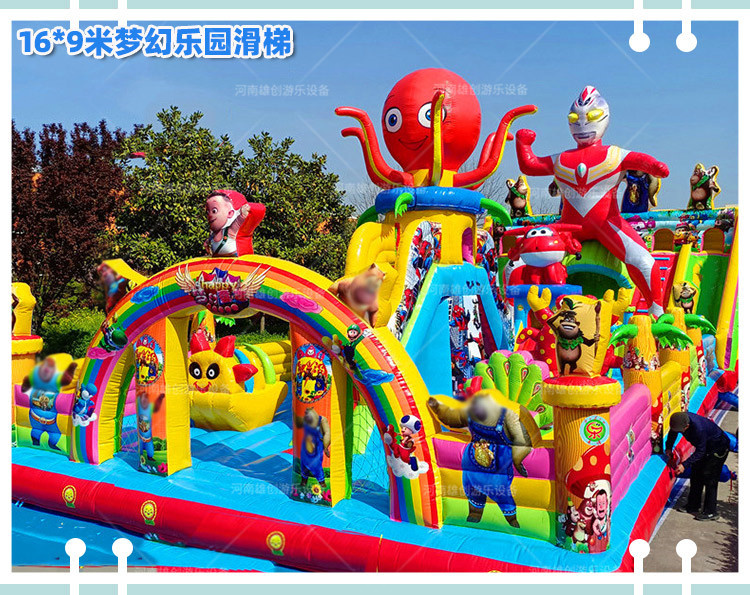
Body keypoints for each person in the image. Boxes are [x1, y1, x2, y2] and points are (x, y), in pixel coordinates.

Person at [665, 411, 731, 521]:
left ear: (687, 426)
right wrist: (668, 447)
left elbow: (700, 452)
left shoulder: (699, 429)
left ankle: (711, 511)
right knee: (696, 474)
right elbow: (673, 432)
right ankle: (693, 505)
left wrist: (684, 465)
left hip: (718, 449)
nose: (679, 432)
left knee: (710, 478)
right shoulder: (678, 420)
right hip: (705, 448)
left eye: (681, 431)